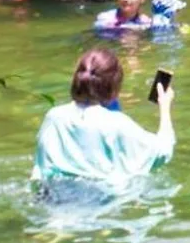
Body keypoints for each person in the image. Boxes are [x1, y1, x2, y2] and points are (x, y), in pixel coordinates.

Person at [33, 48, 175, 188]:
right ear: (114, 88)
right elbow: (162, 152)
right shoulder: (117, 123)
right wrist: (165, 106)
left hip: (53, 200)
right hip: (97, 202)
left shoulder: (54, 117)